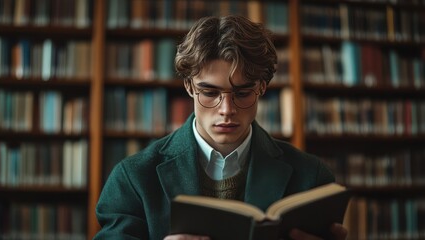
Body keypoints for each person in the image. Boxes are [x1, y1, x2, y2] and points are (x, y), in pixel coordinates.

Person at [94, 15, 348, 240]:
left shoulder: (312, 178)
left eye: (243, 92)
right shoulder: (133, 178)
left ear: (262, 87)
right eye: (209, 92)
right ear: (189, 86)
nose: (227, 109)